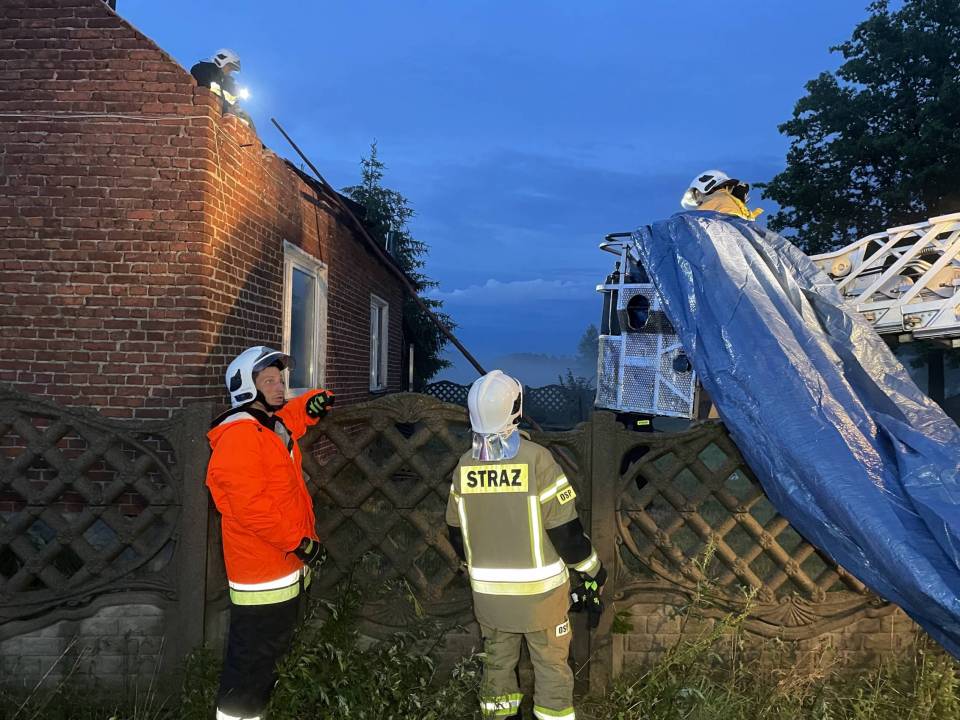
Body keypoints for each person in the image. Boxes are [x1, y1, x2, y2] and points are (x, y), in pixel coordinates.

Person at [445, 370, 605, 720]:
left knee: (497, 668)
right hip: (542, 601)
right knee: (551, 667)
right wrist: (594, 569)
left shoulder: (464, 467)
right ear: (515, 409)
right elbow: (566, 533)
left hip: (490, 600)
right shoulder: (537, 460)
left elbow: (456, 532)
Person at [206, 346, 334, 720]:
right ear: (248, 388)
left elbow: (290, 418)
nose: (280, 387)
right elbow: (251, 508)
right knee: (250, 664)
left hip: (280, 568)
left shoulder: (266, 425)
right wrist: (300, 543)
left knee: (268, 661)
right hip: (260, 573)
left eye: (280, 380)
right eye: (270, 381)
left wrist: (314, 401)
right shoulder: (239, 436)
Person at [190, 48, 253, 127]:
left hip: (222, 123)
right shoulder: (203, 70)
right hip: (203, 118)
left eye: (232, 69)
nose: (230, 71)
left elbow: (235, 107)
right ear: (221, 61)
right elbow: (203, 93)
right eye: (229, 67)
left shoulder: (229, 84)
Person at [680, 169, 763, 220]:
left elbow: (694, 221)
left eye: (697, 194)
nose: (700, 202)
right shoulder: (732, 203)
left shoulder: (717, 198)